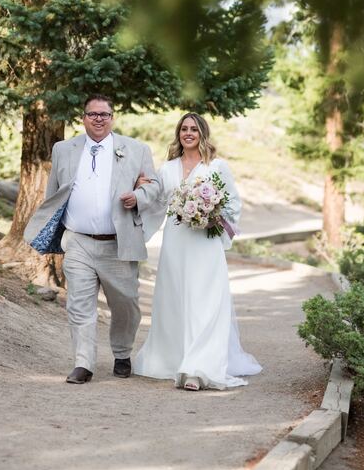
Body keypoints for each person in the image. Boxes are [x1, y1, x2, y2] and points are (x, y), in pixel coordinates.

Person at [120, 112, 262, 391]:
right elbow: (156, 204)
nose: (188, 133)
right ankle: (174, 358)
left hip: (205, 244)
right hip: (175, 245)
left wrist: (211, 216)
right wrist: (137, 195)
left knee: (205, 303)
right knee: (176, 300)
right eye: (184, 129)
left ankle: (198, 368)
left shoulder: (217, 167)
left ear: (202, 134)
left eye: (194, 129)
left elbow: (233, 204)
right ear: (178, 134)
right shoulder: (167, 169)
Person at [24, 95, 159, 384]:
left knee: (125, 303)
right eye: (92, 114)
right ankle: (83, 364)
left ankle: (122, 353)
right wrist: (53, 233)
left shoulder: (136, 149)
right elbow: (53, 194)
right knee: (79, 304)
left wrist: (137, 196)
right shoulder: (64, 149)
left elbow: (154, 187)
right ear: (83, 117)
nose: (98, 118)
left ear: (113, 118)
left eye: (104, 114)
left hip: (118, 242)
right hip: (78, 241)